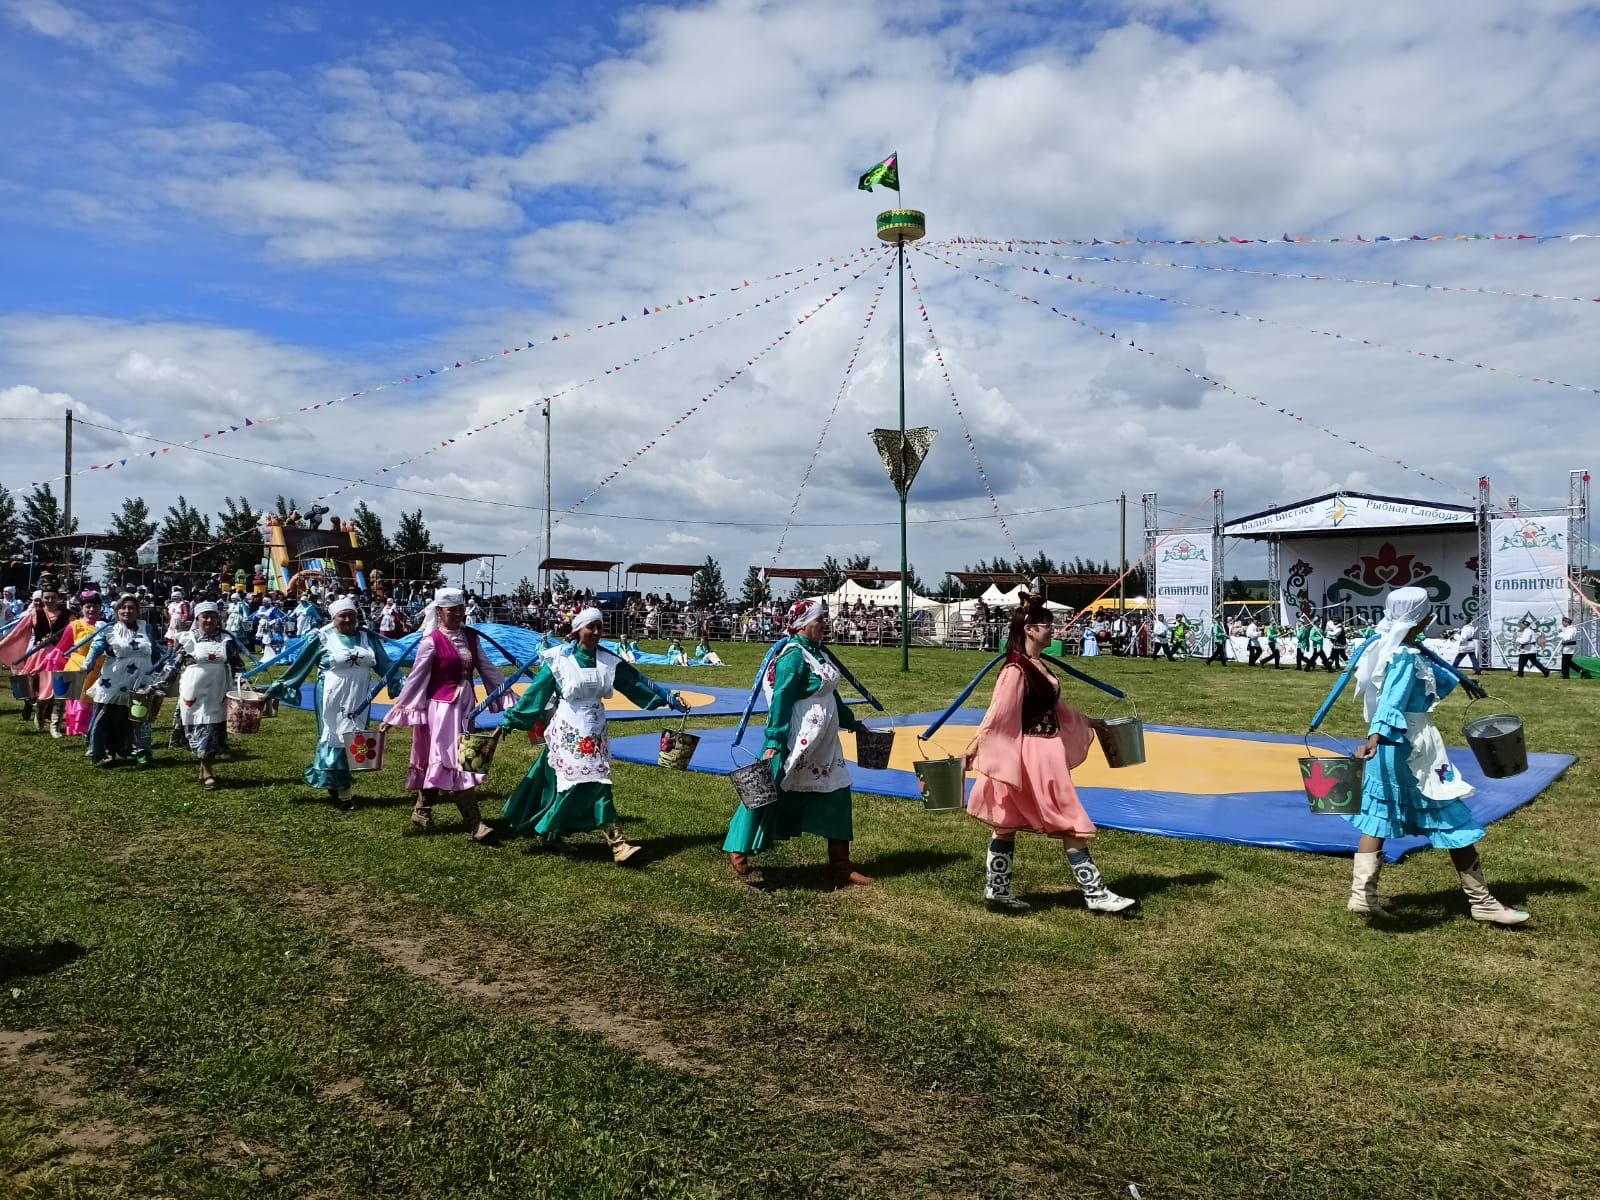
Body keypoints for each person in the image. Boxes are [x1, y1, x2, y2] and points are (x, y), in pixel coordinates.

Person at [1342, 587, 1526, 924]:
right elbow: (1391, 701)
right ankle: (1482, 902)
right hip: (1409, 745)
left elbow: (1429, 674)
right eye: (1428, 613)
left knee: (1380, 815)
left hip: (1389, 747)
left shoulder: (1395, 647)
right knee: (1450, 816)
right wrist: (1375, 736)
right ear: (1422, 618)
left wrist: (1462, 679)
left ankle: (1362, 897)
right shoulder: (1405, 657)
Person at [963, 593, 1134, 914]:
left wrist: (1089, 722)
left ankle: (997, 891)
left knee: (1006, 822)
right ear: (1029, 629)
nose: (1052, 630)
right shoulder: (1015, 669)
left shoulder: (1035, 665)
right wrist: (976, 746)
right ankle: (1095, 894)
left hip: (1041, 750)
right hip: (1034, 755)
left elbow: (1055, 707)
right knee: (1069, 821)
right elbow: (998, 712)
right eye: (1046, 625)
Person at [498, 607, 689, 862]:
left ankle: (552, 834)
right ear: (578, 631)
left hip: (595, 730)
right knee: (590, 782)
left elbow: (635, 684)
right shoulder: (559, 659)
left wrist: (669, 698)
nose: (597, 632)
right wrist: (511, 720)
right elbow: (536, 694)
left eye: (599, 627)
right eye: (591, 627)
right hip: (568, 728)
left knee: (579, 779)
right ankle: (618, 843)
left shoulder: (608, 661)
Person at [722, 598, 877, 888]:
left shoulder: (819, 654)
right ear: (804, 624)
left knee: (838, 793)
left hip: (825, 743)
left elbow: (831, 694)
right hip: (797, 738)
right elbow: (780, 699)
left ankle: (840, 866)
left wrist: (852, 722)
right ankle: (738, 846)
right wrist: (774, 740)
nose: (824, 625)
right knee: (767, 787)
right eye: (819, 621)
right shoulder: (793, 656)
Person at [381, 588, 508, 841]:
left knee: (453, 758)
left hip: (466, 708)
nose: (459, 614)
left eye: (461, 609)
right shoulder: (431, 641)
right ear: (440, 612)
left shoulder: (472, 638)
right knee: (457, 760)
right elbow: (416, 679)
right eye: (453, 610)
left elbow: (487, 669)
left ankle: (422, 809)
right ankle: (476, 825)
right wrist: (396, 714)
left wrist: (507, 698)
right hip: (440, 710)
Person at [264, 596, 392, 806]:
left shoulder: (368, 638)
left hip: (360, 695)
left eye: (352, 615)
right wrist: (277, 689)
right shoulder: (321, 638)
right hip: (332, 694)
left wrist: (401, 682)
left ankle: (336, 782)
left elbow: (385, 665)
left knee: (354, 736)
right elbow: (301, 666)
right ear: (334, 618)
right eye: (343, 616)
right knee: (335, 737)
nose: (349, 619)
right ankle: (344, 792)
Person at [169, 601, 249, 790]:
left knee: (212, 728)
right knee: (199, 727)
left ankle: (207, 770)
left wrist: (243, 681)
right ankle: (206, 770)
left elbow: (237, 664)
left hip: (218, 690)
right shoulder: (188, 639)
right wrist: (158, 685)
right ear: (197, 619)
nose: (209, 619)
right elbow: (173, 665)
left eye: (213, 616)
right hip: (193, 692)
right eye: (205, 616)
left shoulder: (226, 640)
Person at [83, 594, 164, 767]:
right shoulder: (109, 629)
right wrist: (89, 661)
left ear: (138, 611)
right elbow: (98, 646)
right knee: (107, 717)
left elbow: (154, 650)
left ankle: (142, 751)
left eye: (131, 608)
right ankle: (103, 752)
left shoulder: (146, 628)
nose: (127, 611)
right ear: (117, 611)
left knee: (141, 717)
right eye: (123, 608)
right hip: (114, 681)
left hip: (142, 680)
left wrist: (164, 667)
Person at [39, 590, 105, 738]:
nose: (92, 609)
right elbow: (61, 648)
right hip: (76, 665)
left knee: (91, 700)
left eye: (95, 606)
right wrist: (43, 665)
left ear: (100, 607)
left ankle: (88, 727)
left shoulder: (105, 626)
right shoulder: (74, 626)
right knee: (68, 699)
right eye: (88, 606)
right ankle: (59, 726)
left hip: (98, 668)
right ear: (82, 607)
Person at [25, 584, 71, 737]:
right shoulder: (35, 614)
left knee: (60, 692)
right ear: (42, 599)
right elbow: (19, 631)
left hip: (60, 657)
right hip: (40, 656)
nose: (50, 600)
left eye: (53, 597)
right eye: (47, 597)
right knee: (44, 691)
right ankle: (39, 712)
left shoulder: (68, 615)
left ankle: (55, 725)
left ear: (58, 598)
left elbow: (76, 634)